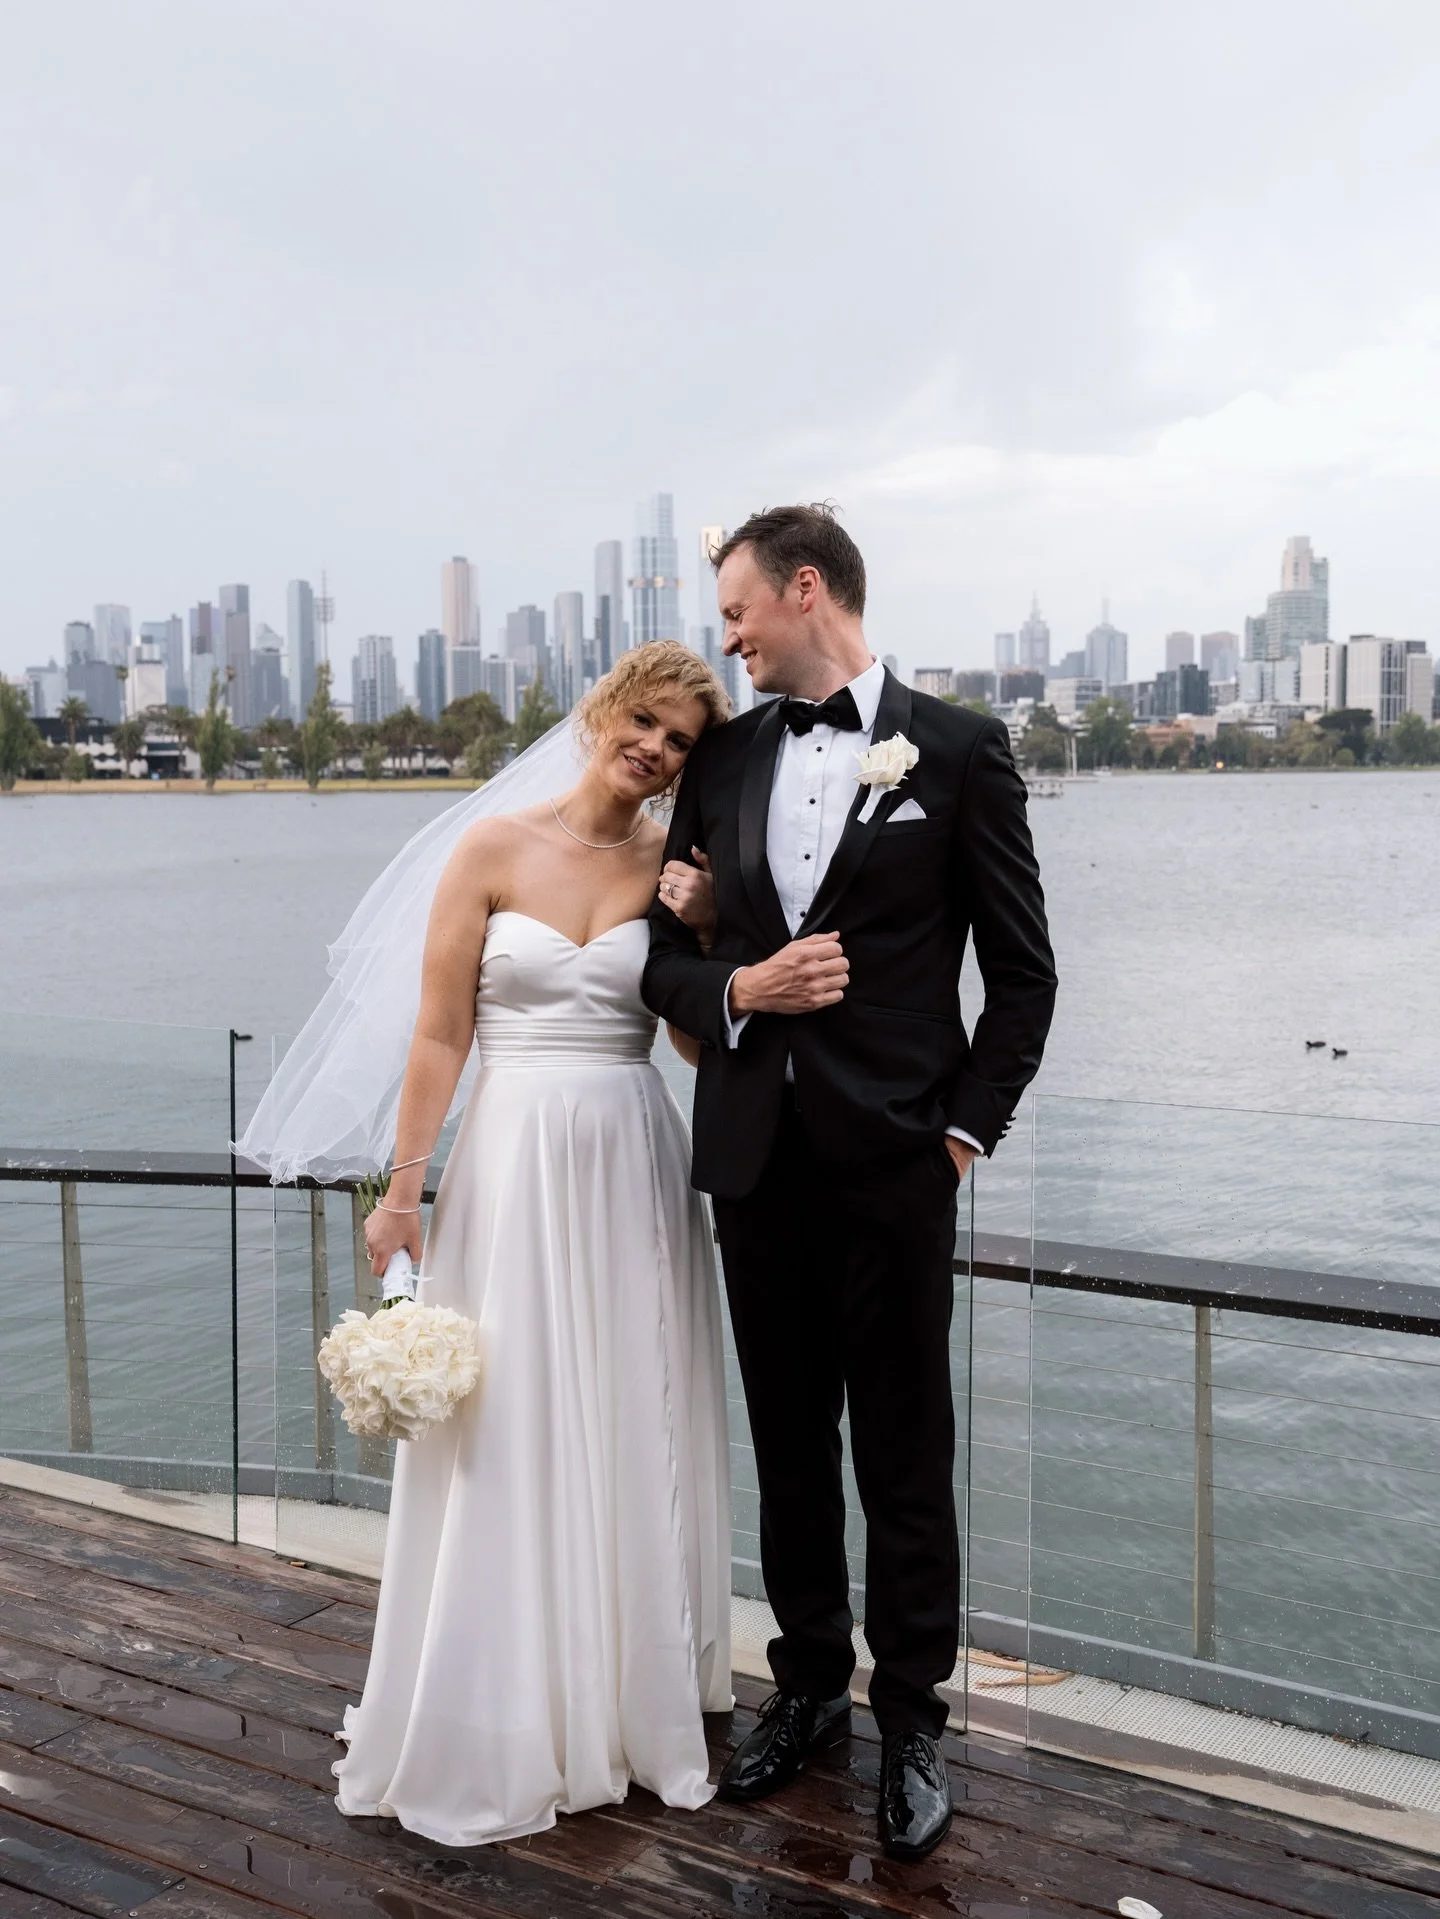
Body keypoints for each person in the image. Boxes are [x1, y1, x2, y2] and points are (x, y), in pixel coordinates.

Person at [644, 506, 1057, 1862]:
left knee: (906, 1448)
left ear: (804, 587)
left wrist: (959, 1137)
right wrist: (740, 985)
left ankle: (916, 1718)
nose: (729, 636)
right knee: (786, 1436)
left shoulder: (959, 750)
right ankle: (810, 1685)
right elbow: (659, 959)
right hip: (756, 1164)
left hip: (896, 1166)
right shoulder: (722, 758)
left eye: (738, 610)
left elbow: (1025, 975)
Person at [279, 642, 733, 1847]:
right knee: (514, 1413)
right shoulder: (487, 849)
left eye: (681, 740)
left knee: (634, 1403)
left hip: (632, 1155)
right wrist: (403, 1190)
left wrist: (709, 929)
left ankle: (629, 1691)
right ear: (603, 709)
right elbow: (438, 1037)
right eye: (645, 719)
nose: (655, 749)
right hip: (511, 1158)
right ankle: (505, 1697)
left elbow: (695, 1050)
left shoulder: (678, 867)